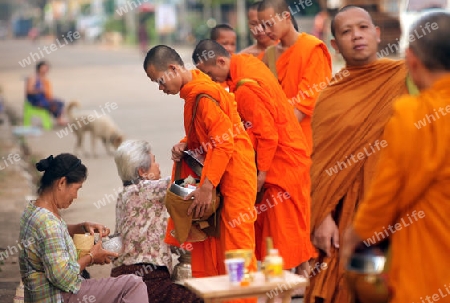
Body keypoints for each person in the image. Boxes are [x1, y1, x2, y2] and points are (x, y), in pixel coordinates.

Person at [305, 6, 414, 303]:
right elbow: (320, 164)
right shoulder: (330, 97)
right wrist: (323, 216)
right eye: (346, 31)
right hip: (352, 220)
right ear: (335, 45)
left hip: (401, 208)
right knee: (360, 289)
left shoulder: (405, 77)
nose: (357, 36)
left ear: (377, 35)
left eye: (363, 28)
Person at [341, 11, 450, 303]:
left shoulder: (412, 117)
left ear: (412, 60)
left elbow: (384, 196)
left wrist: (355, 236)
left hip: (427, 271)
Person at [144, 45, 257, 303]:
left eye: (159, 81)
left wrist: (207, 186)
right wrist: (187, 141)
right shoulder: (197, 86)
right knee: (211, 244)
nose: (161, 88)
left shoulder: (202, 96)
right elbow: (211, 131)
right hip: (222, 171)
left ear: (173, 68)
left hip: (234, 174)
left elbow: (224, 142)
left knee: (236, 248)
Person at [193, 40, 314, 276]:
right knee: (292, 229)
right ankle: (300, 280)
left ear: (221, 61)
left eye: (210, 73)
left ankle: (287, 287)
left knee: (283, 231)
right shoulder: (246, 64)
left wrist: (261, 173)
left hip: (281, 161)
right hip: (291, 153)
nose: (211, 79)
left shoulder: (245, 88)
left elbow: (268, 135)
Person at [19, 153, 149, 303]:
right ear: (62, 183)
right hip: (57, 296)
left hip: (43, 294)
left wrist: (80, 228)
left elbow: (48, 236)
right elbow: (64, 278)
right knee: (133, 284)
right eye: (76, 189)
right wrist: (91, 257)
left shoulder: (33, 210)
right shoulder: (48, 222)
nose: (75, 196)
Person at [110, 139, 203, 303]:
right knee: (201, 299)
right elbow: (194, 186)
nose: (158, 165)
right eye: (154, 161)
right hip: (148, 278)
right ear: (142, 172)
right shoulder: (151, 189)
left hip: (119, 276)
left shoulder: (123, 196)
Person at [257, 0, 332, 150]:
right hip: (276, 143)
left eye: (270, 24)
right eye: (263, 26)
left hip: (306, 140)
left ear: (286, 16)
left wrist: (277, 133)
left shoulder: (311, 48)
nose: (266, 30)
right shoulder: (268, 55)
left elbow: (308, 100)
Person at [26, 61, 66, 126]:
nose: (45, 70)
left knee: (60, 102)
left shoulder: (44, 78)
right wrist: (40, 90)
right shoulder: (33, 77)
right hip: (35, 100)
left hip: (43, 98)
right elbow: (29, 90)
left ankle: (60, 118)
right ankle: (60, 120)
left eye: (46, 69)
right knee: (53, 104)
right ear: (39, 68)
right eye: (44, 68)